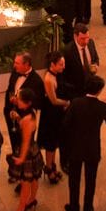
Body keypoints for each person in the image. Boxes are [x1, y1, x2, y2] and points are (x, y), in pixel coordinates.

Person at [61, 74, 106, 211]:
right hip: (92, 148)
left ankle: (74, 208)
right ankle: (88, 209)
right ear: (99, 91)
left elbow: (66, 124)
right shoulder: (101, 107)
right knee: (90, 180)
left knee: (74, 180)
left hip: (75, 147)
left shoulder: (76, 103)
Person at [6, 88, 43, 211]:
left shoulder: (27, 119)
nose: (16, 99)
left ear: (27, 102)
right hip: (34, 150)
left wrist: (21, 158)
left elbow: (26, 141)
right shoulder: (31, 111)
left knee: (25, 182)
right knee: (33, 178)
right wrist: (18, 117)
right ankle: (32, 199)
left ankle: (21, 209)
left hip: (27, 152)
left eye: (19, 98)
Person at [39, 51, 68, 183]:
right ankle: (49, 167)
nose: (63, 67)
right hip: (51, 115)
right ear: (52, 65)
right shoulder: (48, 79)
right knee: (50, 143)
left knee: (55, 141)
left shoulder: (58, 74)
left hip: (57, 114)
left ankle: (52, 166)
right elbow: (54, 100)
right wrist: (68, 103)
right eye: (61, 64)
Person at [4, 52, 44, 142]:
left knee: (26, 142)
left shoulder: (37, 81)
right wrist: (8, 108)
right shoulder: (15, 72)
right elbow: (10, 89)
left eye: (17, 63)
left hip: (25, 118)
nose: (14, 65)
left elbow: (39, 103)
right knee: (13, 140)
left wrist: (19, 102)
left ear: (26, 64)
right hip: (11, 114)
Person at [61, 23, 99, 97]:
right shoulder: (67, 51)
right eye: (82, 38)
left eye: (87, 37)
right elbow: (65, 74)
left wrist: (96, 65)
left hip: (90, 85)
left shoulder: (91, 43)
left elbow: (95, 58)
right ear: (75, 36)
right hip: (76, 89)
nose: (85, 41)